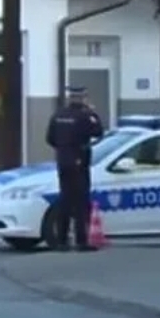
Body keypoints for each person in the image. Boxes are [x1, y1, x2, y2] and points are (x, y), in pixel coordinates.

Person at [45, 86, 104, 251]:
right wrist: (93, 113)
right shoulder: (84, 116)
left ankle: (62, 241)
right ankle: (81, 241)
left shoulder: (58, 115)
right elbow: (98, 132)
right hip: (80, 163)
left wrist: (63, 150)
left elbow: (49, 139)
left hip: (63, 162)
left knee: (65, 200)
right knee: (80, 202)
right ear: (81, 98)